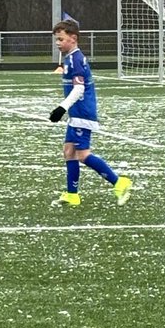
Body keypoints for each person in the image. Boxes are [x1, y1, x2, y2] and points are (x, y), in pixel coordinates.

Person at [49, 19, 133, 207]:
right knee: (69, 151)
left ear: (73, 38)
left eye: (61, 39)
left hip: (82, 113)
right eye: (56, 40)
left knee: (83, 155)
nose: (58, 43)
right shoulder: (70, 58)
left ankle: (119, 182)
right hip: (76, 113)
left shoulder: (76, 60)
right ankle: (72, 194)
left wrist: (61, 108)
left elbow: (79, 89)